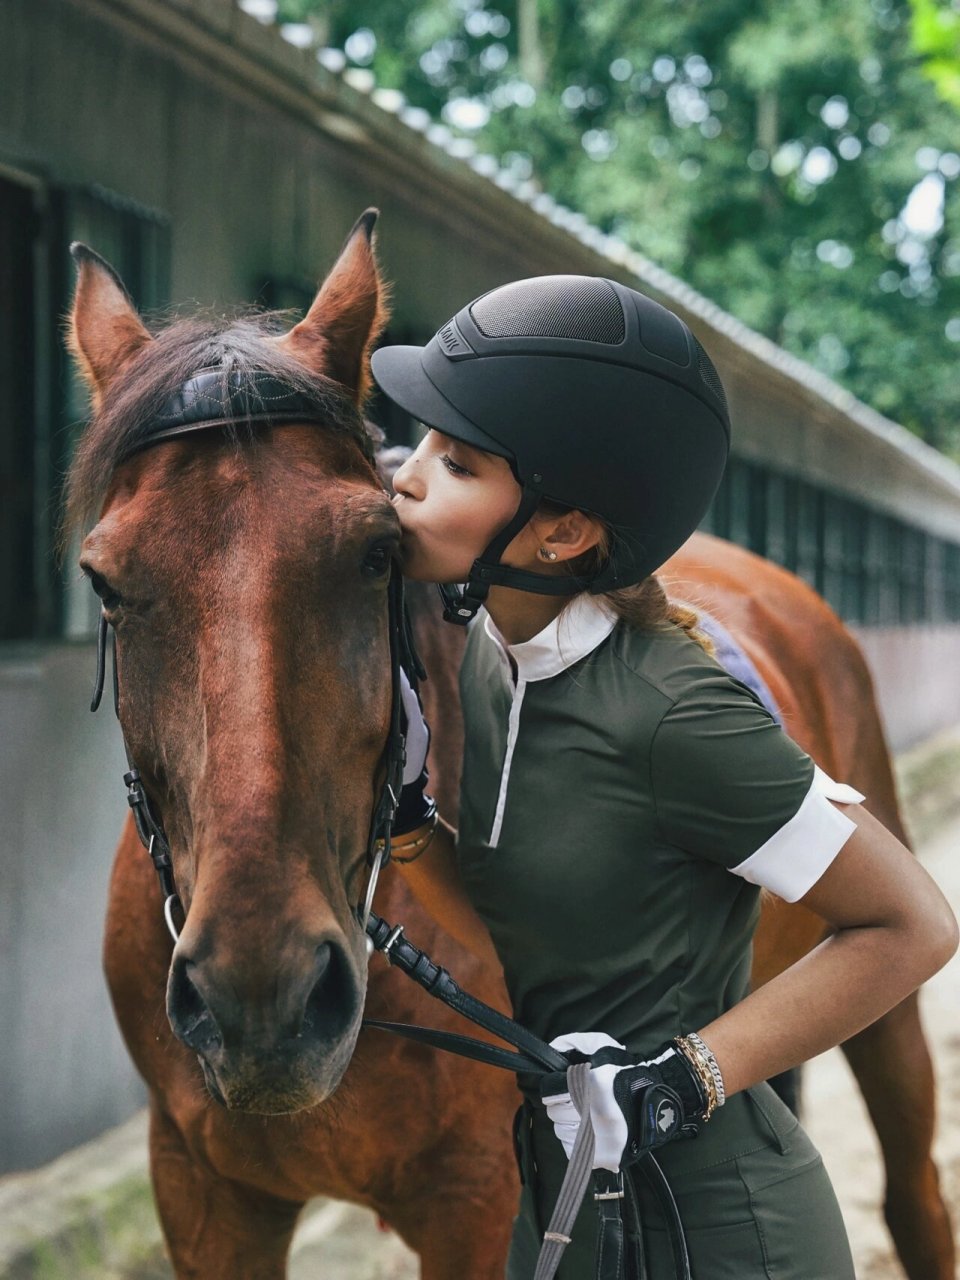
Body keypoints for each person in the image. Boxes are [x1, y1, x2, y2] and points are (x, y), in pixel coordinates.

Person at [369, 275, 958, 1279]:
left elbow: (914, 923)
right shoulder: (489, 662)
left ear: (564, 531)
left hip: (726, 1233)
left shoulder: (675, 711)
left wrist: (687, 1075)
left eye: (456, 462)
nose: (407, 477)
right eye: (417, 443)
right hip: (563, 1212)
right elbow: (517, 928)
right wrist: (408, 816)